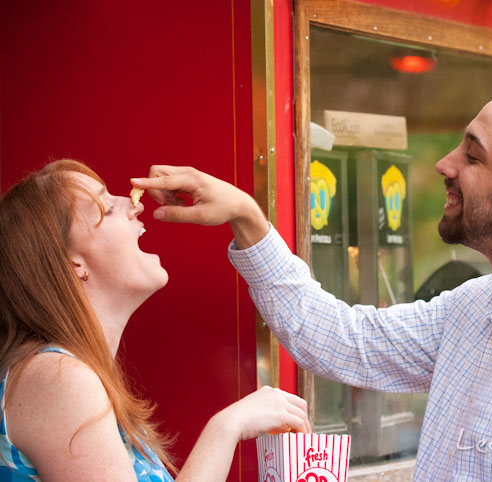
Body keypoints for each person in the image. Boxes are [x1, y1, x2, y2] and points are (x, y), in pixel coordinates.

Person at [132, 75, 492, 480]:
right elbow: (342, 340)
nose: (445, 165)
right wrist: (248, 219)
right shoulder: (481, 305)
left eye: (474, 156)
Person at [0, 159, 311, 481]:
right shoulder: (60, 377)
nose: (133, 205)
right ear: (72, 262)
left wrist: (244, 210)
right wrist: (227, 427)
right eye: (106, 208)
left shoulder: (65, 373)